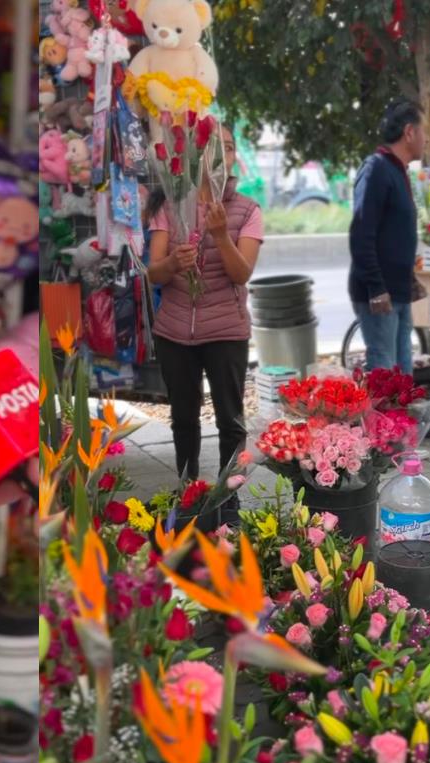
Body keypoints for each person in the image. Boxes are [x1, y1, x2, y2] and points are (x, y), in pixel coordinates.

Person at [147, 125, 263, 499]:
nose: (220, 154)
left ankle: (228, 496)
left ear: (233, 158)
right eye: (212, 147)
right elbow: (154, 273)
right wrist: (174, 264)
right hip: (175, 331)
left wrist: (220, 235)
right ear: (196, 155)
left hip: (226, 332)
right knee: (184, 418)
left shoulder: (247, 209)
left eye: (227, 147)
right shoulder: (170, 205)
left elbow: (242, 273)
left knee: (231, 420)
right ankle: (188, 491)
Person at [348, 99, 425, 374]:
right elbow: (361, 235)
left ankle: (400, 419)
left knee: (402, 376)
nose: (426, 138)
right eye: (423, 130)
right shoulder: (377, 169)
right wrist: (376, 288)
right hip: (379, 295)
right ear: (409, 132)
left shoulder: (396, 170)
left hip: (398, 292)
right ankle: (384, 419)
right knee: (385, 376)